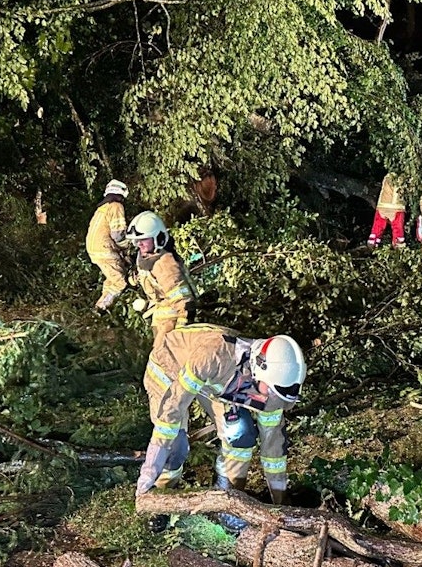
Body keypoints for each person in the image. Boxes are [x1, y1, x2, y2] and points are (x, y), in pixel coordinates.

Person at [136, 324, 306, 503]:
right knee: (176, 442)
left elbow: (274, 447)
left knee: (240, 434)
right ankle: (162, 494)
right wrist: (151, 468)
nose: (271, 399)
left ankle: (227, 497)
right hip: (169, 368)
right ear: (258, 369)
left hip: (213, 383)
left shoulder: (270, 384)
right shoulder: (214, 355)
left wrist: (279, 501)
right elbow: (173, 406)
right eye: (271, 391)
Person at [126, 210, 194, 339]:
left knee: (163, 357)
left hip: (172, 322)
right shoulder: (148, 259)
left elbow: (183, 300)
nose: (139, 243)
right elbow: (146, 277)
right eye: (137, 240)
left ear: (158, 238)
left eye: (144, 239)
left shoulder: (164, 264)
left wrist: (181, 330)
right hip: (160, 320)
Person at [86, 180, 130, 312]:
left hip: (95, 249)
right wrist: (126, 248)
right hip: (105, 250)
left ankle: (100, 305)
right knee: (120, 282)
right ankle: (102, 308)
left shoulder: (102, 208)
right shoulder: (116, 206)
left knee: (112, 278)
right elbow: (118, 235)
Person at [367, 171, 407, 247]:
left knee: (378, 226)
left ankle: (372, 242)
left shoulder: (387, 176)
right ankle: (398, 245)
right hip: (396, 207)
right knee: (398, 229)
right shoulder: (404, 178)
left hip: (382, 205)